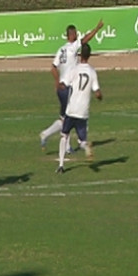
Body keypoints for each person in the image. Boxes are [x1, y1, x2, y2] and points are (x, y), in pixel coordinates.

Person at [40, 20, 104, 151]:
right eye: (75, 33)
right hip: (68, 87)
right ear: (72, 35)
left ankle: (59, 141)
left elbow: (53, 68)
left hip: (61, 88)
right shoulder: (73, 46)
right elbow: (86, 39)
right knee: (70, 116)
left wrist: (57, 82)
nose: (77, 35)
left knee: (65, 116)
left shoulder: (61, 49)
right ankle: (52, 136)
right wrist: (97, 29)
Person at [56, 43, 102, 174]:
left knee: (64, 135)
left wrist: (60, 85)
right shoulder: (92, 72)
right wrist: (99, 96)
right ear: (90, 56)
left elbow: (63, 84)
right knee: (82, 140)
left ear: (80, 55)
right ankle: (85, 146)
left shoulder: (74, 69)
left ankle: (61, 165)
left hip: (71, 110)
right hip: (83, 112)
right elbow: (97, 92)